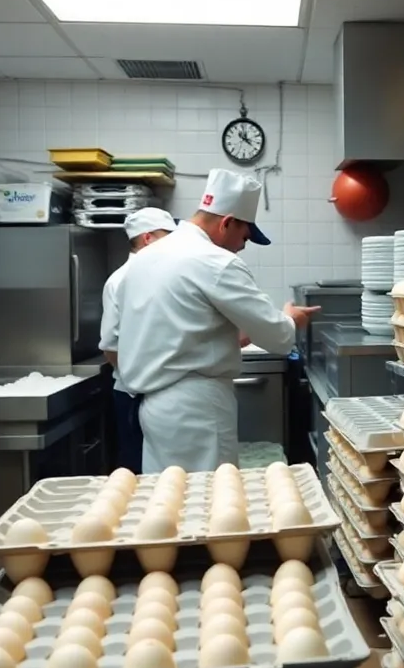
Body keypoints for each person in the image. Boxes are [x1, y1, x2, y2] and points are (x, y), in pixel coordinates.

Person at [116, 169, 319, 473]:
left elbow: (183, 329)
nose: (242, 246)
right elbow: (277, 337)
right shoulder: (215, 262)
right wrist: (290, 319)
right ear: (227, 223)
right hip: (197, 411)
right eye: (244, 236)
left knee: (167, 504)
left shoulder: (145, 259)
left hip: (154, 408)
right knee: (208, 505)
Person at [99, 206, 177, 473]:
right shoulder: (120, 280)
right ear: (147, 238)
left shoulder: (164, 275)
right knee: (137, 469)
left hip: (159, 390)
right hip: (133, 394)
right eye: (168, 237)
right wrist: (137, 380)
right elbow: (111, 345)